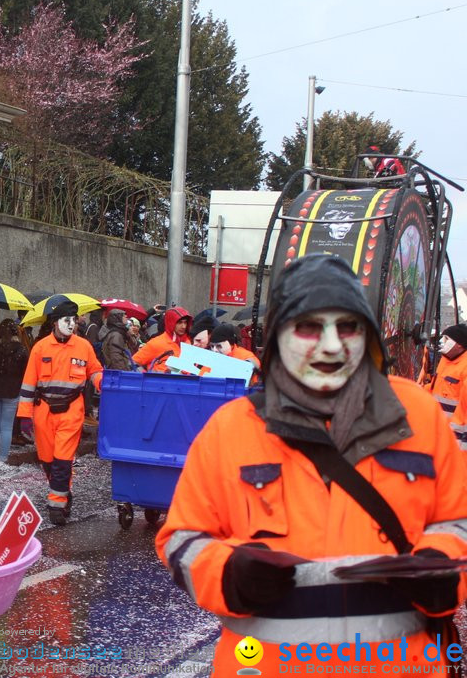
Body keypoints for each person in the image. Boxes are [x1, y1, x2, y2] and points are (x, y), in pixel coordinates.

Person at [156, 253, 467, 674]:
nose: (331, 344)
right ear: (278, 337)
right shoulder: (231, 430)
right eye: (308, 327)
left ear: (368, 335)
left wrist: (441, 563)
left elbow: (457, 521)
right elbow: (181, 537)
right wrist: (226, 571)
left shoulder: (419, 414)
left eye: (347, 326)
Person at [17, 300, 103, 525]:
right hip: (44, 411)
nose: (71, 324)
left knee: (62, 460)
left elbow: (95, 371)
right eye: (67, 320)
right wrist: (24, 416)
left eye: (74, 320)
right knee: (47, 460)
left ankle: (56, 505)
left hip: (72, 411)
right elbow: (28, 383)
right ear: (56, 322)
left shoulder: (83, 346)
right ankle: (64, 490)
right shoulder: (40, 347)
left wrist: (105, 383)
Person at [0, 318, 28, 468]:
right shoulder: (21, 350)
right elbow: (25, 373)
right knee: (7, 427)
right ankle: (2, 460)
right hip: (12, 391)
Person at [421, 323, 467, 440]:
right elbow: (437, 387)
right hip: (437, 428)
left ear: (460, 345)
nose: (442, 341)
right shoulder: (445, 361)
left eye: (446, 339)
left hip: (454, 436)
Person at [132, 307, 191, 372]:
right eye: (179, 322)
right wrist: (148, 377)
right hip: (158, 381)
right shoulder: (156, 343)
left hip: (185, 381)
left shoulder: (187, 342)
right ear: (171, 322)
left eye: (185, 322)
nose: (184, 326)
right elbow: (133, 363)